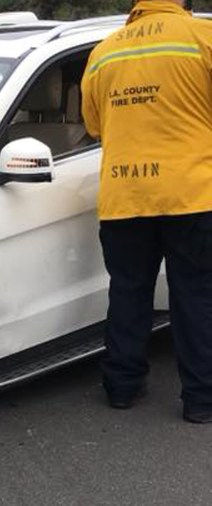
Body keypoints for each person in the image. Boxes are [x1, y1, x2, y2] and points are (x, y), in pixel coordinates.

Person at [81, 0, 212, 422]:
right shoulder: (202, 38)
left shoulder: (104, 52)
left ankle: (121, 387)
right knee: (195, 294)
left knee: (128, 290)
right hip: (191, 193)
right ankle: (201, 400)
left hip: (125, 192)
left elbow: (94, 125)